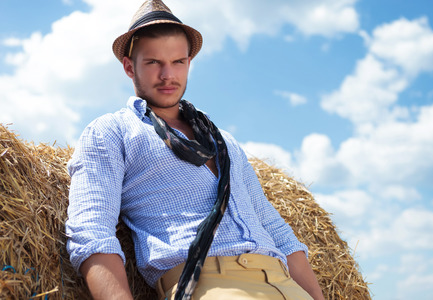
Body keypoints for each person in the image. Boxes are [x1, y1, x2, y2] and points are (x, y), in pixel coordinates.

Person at [65, 1, 325, 299]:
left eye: (178, 62)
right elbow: (92, 232)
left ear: (189, 63)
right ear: (129, 66)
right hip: (210, 285)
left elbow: (275, 229)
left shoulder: (224, 142)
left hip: (284, 284)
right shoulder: (112, 132)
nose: (167, 75)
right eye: (153, 63)